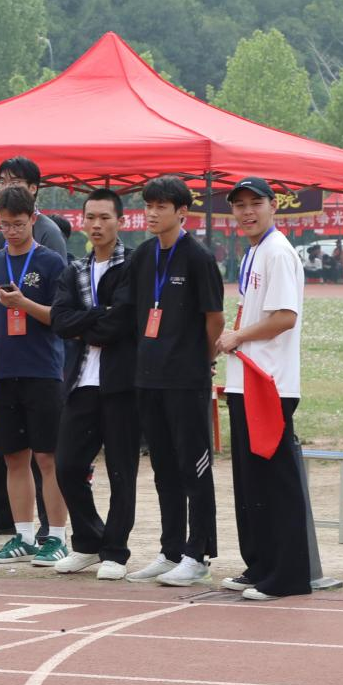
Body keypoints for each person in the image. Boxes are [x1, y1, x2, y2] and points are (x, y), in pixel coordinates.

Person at [115, 175, 225, 586]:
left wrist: (203, 360)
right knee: (163, 468)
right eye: (148, 205)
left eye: (161, 206)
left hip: (186, 379)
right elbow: (127, 311)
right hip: (148, 379)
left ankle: (199, 553)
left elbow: (215, 318)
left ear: (182, 212)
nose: (152, 213)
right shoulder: (143, 256)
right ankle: (171, 549)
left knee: (193, 467)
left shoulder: (198, 258)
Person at [215, 178, 314, 601]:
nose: (247, 212)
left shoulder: (277, 251)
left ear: (274, 205)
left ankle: (288, 576)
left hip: (269, 381)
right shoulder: (255, 251)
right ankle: (260, 565)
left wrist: (238, 337)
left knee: (275, 481)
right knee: (251, 481)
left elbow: (285, 317)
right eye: (239, 205)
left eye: (255, 203)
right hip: (247, 377)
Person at [0, 186, 70, 566]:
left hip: (42, 370)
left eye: (19, 224)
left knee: (47, 457)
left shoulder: (52, 263)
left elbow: (62, 318)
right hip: (2, 371)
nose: (11, 231)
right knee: (13, 456)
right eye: (5, 225)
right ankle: (23, 535)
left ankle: (56, 536)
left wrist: (23, 303)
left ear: (33, 219)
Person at [49, 189, 139, 581]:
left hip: (122, 384)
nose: (97, 225)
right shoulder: (75, 270)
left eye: (105, 217)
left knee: (121, 470)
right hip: (81, 381)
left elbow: (122, 322)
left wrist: (85, 321)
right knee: (67, 466)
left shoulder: (133, 265)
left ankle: (115, 551)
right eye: (90, 217)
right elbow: (59, 321)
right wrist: (96, 317)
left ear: (120, 221)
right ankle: (88, 542)